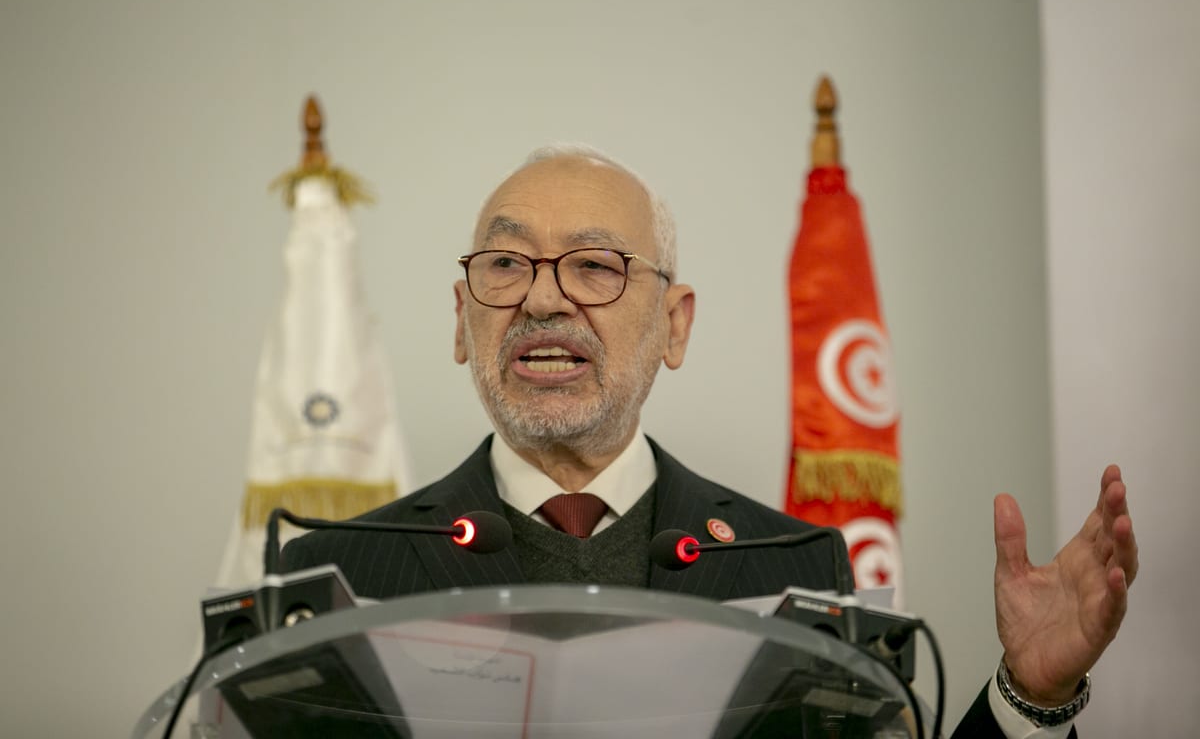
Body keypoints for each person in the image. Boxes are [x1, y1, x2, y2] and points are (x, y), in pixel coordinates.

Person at [282, 144, 1138, 738]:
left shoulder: (793, 567)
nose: (542, 300)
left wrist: (1030, 695)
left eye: (594, 265)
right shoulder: (337, 576)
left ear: (674, 325)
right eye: (505, 265)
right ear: (461, 319)